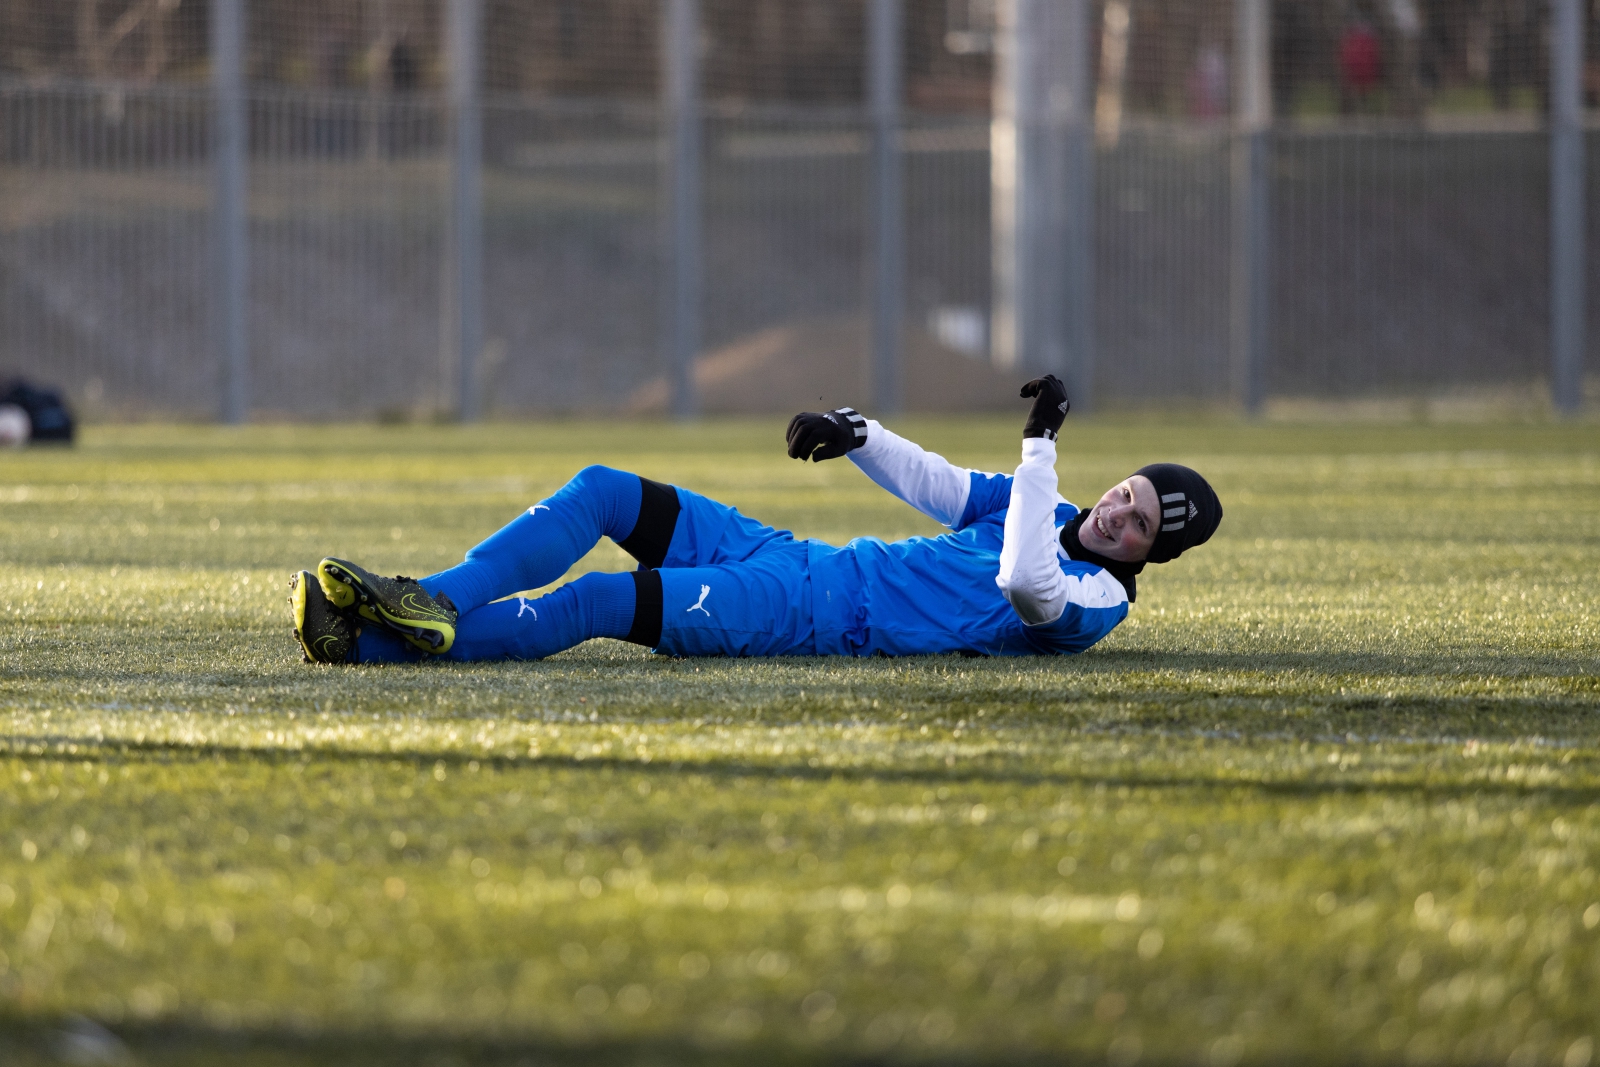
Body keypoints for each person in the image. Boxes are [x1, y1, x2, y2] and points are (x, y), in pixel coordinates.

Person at [288, 377, 1221, 665]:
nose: (1115, 512)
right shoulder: (1046, 505)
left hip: (809, 615)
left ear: (1152, 555)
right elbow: (941, 485)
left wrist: (1038, 446)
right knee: (608, 488)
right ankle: (429, 599)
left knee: (604, 600)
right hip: (795, 556)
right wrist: (860, 430)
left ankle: (361, 646)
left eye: (1137, 523)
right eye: (1126, 492)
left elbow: (1024, 581)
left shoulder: (1095, 600)